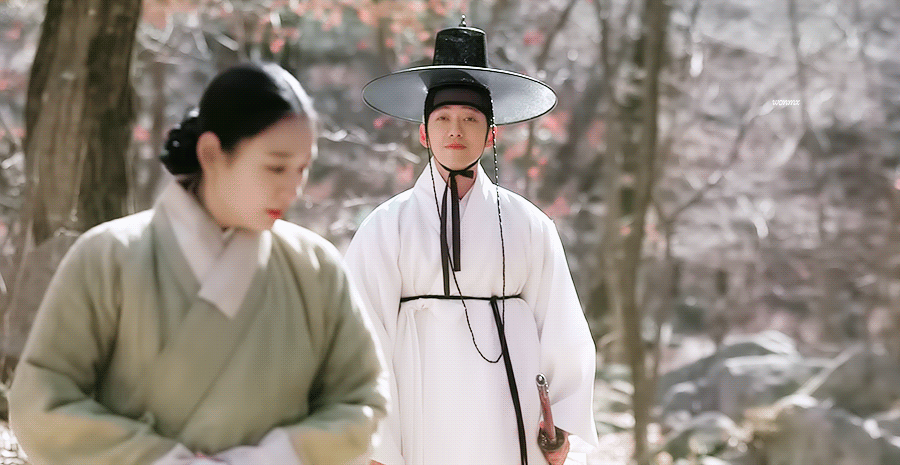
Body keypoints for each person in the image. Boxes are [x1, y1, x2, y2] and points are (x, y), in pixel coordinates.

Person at [9, 63, 387, 465]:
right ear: (211, 153)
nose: (293, 188)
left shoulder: (315, 268)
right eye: (276, 167)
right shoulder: (107, 256)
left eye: (303, 168)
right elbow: (40, 404)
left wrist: (275, 457)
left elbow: (362, 401)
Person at [345, 19, 599, 465]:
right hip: (419, 410)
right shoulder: (386, 226)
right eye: (442, 119)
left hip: (508, 412)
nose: (455, 131)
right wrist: (376, 444)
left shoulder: (529, 225)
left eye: (470, 119)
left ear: (491, 133)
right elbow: (360, 337)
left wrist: (559, 422)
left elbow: (561, 325)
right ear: (423, 133)